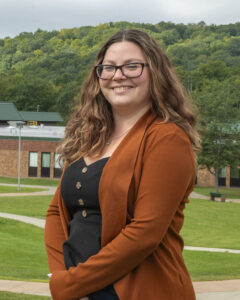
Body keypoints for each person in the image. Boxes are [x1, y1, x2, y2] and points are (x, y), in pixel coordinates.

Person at [44, 29, 200, 300]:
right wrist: (62, 278)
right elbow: (56, 213)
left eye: (132, 66)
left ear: (156, 73)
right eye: (108, 67)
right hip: (79, 289)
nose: (118, 75)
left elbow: (144, 234)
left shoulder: (167, 138)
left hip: (141, 290)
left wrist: (71, 285)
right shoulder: (89, 137)